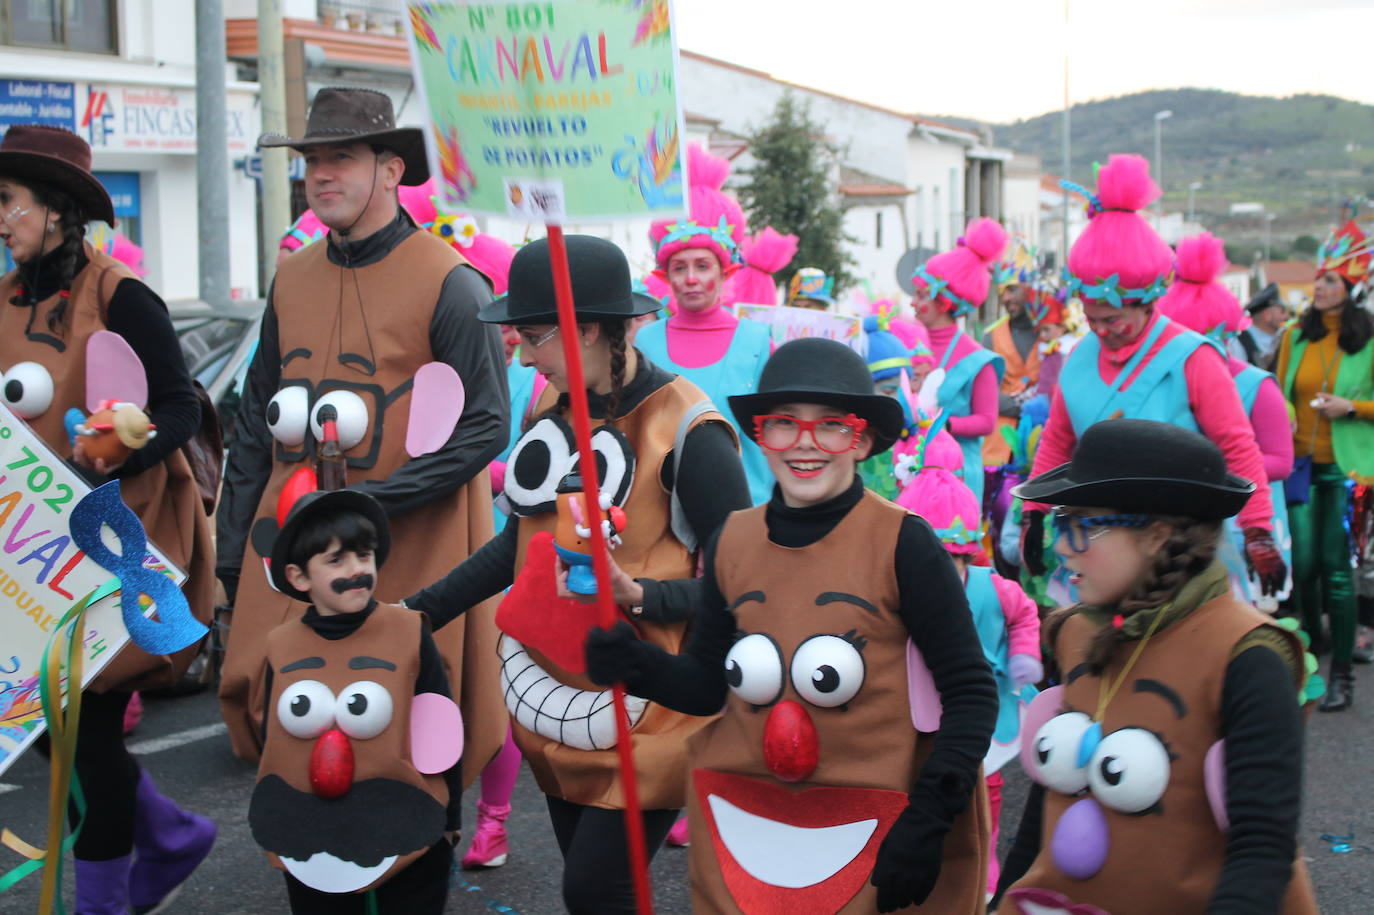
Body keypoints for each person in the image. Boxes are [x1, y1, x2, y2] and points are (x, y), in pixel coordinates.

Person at [583, 337, 998, 913]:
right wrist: (637, 663)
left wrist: (927, 818)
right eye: (784, 424)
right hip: (752, 817)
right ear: (761, 436)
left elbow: (972, 693)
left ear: (864, 440)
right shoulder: (732, 539)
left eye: (831, 426)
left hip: (868, 822)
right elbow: (706, 687)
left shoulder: (905, 543)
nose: (805, 444)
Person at [405, 235, 751, 913]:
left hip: (652, 710)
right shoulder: (552, 407)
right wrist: (413, 612)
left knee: (595, 889)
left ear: (585, 329)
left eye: (533, 336)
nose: (524, 354)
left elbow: (747, 581)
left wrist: (644, 595)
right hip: (554, 703)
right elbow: (521, 542)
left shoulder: (690, 427)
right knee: (600, 896)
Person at [216, 88, 510, 780]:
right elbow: (256, 421)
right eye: (312, 159)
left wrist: (375, 505)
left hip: (407, 552)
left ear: (390, 170)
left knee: (400, 733)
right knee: (281, 719)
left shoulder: (450, 281)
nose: (320, 174)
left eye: (341, 157)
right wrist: (232, 550)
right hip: (291, 550)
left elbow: (488, 423)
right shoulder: (291, 279)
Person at [0, 124, 216, 914]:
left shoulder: (119, 294)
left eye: (7, 202)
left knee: (85, 733)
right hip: (26, 557)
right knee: (54, 730)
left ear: (56, 210)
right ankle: (169, 836)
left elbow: (181, 406)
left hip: (107, 545)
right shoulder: (1, 302)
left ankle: (103, 901)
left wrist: (110, 457)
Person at [997, 419, 1318, 914]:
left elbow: (1262, 848)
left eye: (1081, 526)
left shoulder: (1248, 656)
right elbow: (1051, 798)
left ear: (1157, 536)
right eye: (1061, 523)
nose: (1061, 546)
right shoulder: (1076, 633)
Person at [1020, 156, 1283, 601]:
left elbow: (1238, 446)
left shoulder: (1193, 358)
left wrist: (1258, 530)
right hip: (1101, 548)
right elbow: (1057, 441)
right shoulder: (1080, 358)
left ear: (1147, 305)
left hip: (1175, 549)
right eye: (1091, 319)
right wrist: (1033, 514)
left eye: (1114, 320)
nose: (1101, 331)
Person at [249, 490, 463, 915]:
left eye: (364, 556)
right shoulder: (281, 645)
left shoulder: (407, 631)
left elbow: (441, 729)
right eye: (337, 560)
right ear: (299, 577)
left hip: (404, 818)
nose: (357, 571)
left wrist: (449, 821)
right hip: (311, 832)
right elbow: (272, 740)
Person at [896, 455, 1041, 899]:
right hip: (916, 709)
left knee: (983, 785)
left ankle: (984, 847)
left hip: (984, 709)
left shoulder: (995, 587)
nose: (945, 573)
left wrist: (1024, 655)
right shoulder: (897, 588)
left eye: (955, 560)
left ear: (967, 552)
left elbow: (1025, 616)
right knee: (912, 779)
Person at [1157, 232, 1293, 606]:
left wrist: (1211, 465)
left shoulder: (1257, 386)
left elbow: (1281, 461)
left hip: (1247, 523)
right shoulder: (1170, 384)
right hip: (1190, 529)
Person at [637, 144, 774, 504]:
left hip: (744, 510)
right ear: (665, 276)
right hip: (660, 509)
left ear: (724, 270)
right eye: (679, 268)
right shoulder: (645, 343)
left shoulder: (758, 341)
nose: (691, 279)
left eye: (702, 266)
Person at [1274, 216, 1374, 712]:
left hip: (1349, 470)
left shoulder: (1370, 339)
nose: (1319, 286)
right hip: (1300, 466)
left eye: (1330, 279)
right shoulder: (1295, 336)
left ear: (1350, 288)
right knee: (1304, 567)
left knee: (1337, 570)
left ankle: (1340, 679)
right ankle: (1312, 650)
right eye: (1317, 278)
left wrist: (1352, 407)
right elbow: (1274, 393)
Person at [912, 217, 1008, 504]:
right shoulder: (907, 344)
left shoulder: (979, 359)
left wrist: (944, 425)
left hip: (957, 475)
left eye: (920, 295)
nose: (912, 303)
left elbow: (987, 420)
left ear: (944, 303)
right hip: (910, 467)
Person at [983, 241, 1042, 467]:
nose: (1005, 298)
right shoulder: (992, 336)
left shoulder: (1052, 333)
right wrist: (1022, 406)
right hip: (1000, 442)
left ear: (1031, 288)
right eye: (1002, 292)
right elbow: (985, 391)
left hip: (1043, 438)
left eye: (1012, 289)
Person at [1238, 282, 1286, 369]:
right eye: (1281, 311)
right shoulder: (1239, 342)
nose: (1285, 316)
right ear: (1267, 315)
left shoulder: (1284, 338)